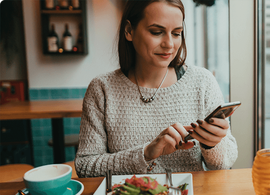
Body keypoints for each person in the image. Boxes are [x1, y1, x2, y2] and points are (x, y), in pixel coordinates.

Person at [75, 0, 238, 177]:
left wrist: (212, 144)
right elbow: (85, 167)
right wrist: (145, 154)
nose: (169, 44)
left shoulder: (203, 82)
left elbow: (224, 163)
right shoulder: (102, 89)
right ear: (129, 31)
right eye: (157, 32)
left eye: (176, 33)